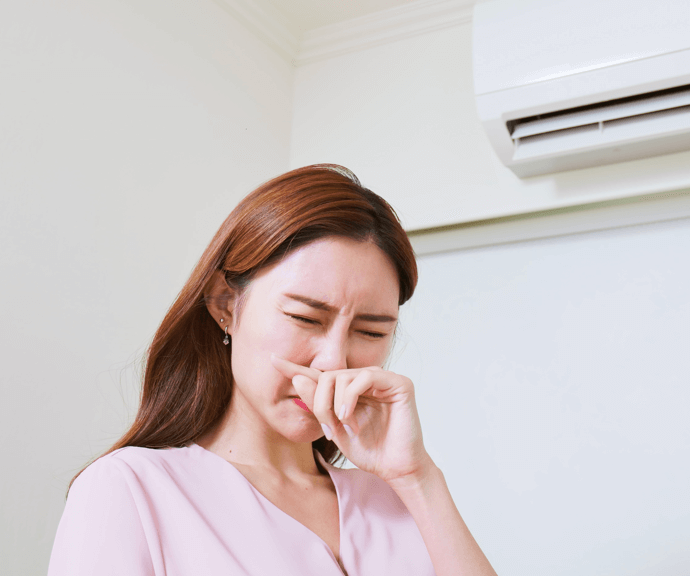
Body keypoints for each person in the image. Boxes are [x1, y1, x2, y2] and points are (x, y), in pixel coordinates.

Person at [48, 164, 497, 576]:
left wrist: (419, 479)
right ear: (226, 304)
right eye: (305, 319)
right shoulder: (129, 490)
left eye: (371, 332)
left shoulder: (398, 500)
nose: (333, 362)